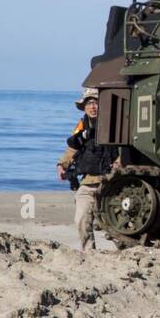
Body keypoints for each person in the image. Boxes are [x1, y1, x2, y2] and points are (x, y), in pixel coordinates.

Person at [56, 87, 118, 250]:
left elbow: (126, 149)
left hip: (112, 182)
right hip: (88, 182)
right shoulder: (82, 126)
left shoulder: (115, 124)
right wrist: (62, 165)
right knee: (81, 219)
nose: (92, 107)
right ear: (84, 107)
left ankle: (129, 253)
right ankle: (89, 253)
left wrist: (118, 163)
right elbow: (72, 149)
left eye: (96, 102)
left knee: (117, 223)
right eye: (89, 103)